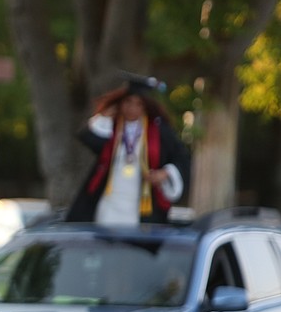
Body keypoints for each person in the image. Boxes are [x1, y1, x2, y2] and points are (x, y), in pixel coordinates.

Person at [67, 76, 191, 225]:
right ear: (121, 103)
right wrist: (104, 117)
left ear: (145, 106)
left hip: (141, 203)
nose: (132, 108)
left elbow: (181, 157)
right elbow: (91, 141)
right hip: (110, 199)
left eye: (138, 104)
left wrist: (164, 173)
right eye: (128, 102)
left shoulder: (158, 131)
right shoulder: (112, 126)